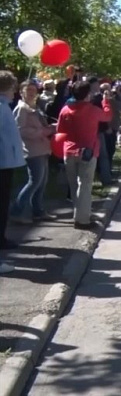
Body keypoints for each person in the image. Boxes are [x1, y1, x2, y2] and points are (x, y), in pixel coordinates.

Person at [56, 80, 113, 229]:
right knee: (85, 185)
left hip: (68, 150)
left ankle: (80, 213)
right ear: (87, 94)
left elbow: (60, 130)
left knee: (74, 185)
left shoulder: (65, 110)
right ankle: (83, 219)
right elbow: (107, 116)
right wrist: (106, 101)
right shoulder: (92, 109)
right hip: (87, 151)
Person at [12, 80, 56, 224]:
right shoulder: (22, 109)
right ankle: (16, 211)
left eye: (33, 89)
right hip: (32, 150)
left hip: (42, 148)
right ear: (21, 92)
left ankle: (38, 211)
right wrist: (44, 131)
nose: (32, 92)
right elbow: (20, 130)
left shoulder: (34, 107)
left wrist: (50, 127)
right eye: (28, 90)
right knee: (34, 181)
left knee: (42, 182)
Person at [0, 71, 26, 274]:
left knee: (4, 203)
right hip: (2, 163)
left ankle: (2, 238)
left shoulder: (5, 106)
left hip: (6, 162)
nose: (14, 91)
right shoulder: (1, 108)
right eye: (12, 87)